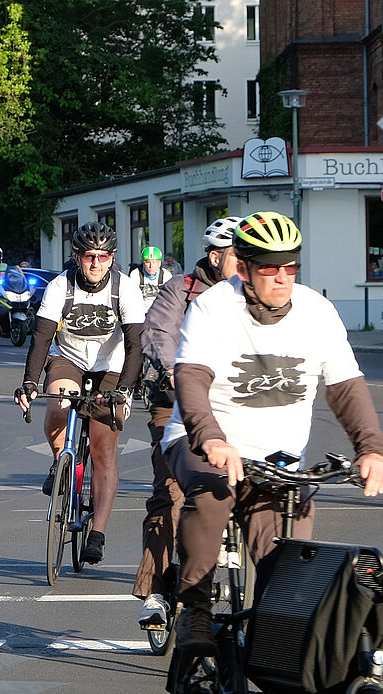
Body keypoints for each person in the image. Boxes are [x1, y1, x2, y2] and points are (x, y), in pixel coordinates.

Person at [162, 211, 383, 649]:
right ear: (243, 267)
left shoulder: (316, 311)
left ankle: (278, 677)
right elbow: (191, 377)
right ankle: (196, 609)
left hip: (279, 461)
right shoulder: (213, 307)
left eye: (291, 267)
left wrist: (372, 447)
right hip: (203, 442)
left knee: (287, 572)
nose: (282, 277)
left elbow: (345, 386)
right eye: (270, 267)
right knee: (213, 493)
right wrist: (211, 437)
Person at [16, 221, 146, 566]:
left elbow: (136, 345)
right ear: (77, 256)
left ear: (112, 258)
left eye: (103, 257)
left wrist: (124, 391)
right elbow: (42, 337)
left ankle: (98, 532)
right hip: (69, 358)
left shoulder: (126, 288)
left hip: (112, 366)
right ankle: (60, 459)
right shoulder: (61, 285)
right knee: (60, 401)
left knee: (104, 448)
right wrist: (30, 382)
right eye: (89, 256)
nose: (96, 263)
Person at [133, 216, 240, 629]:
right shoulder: (180, 289)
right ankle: (157, 591)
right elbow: (159, 334)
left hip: (232, 407)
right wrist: (177, 371)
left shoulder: (248, 295)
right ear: (215, 257)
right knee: (171, 494)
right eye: (237, 256)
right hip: (175, 404)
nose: (247, 264)